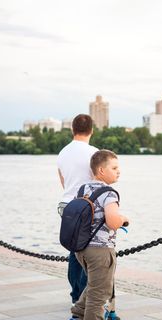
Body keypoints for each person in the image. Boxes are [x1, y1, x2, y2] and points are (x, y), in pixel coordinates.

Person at [66, 150, 129, 320]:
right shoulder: (109, 193)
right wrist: (124, 219)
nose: (118, 172)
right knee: (99, 294)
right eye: (114, 168)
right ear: (101, 170)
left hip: (81, 249)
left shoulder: (83, 189)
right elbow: (112, 221)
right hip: (101, 250)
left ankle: (77, 317)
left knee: (93, 286)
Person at [57, 114, 98, 304]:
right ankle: (84, 297)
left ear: (73, 129)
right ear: (91, 130)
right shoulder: (94, 153)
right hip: (86, 207)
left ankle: (76, 295)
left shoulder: (63, 152)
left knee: (74, 251)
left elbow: (64, 182)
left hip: (66, 205)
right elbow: (100, 181)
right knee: (89, 252)